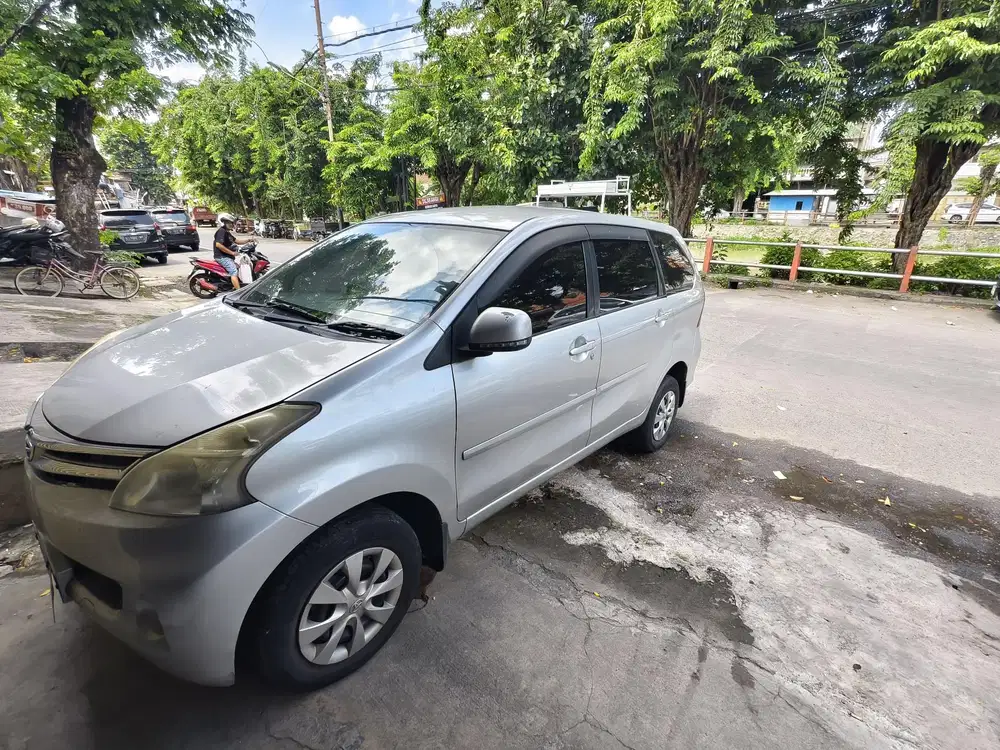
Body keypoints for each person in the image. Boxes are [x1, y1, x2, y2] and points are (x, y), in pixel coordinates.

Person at [213, 212, 252, 289]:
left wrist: (249, 240)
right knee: (234, 272)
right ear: (225, 223)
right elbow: (218, 245)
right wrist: (232, 253)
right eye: (230, 223)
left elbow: (236, 240)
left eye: (232, 223)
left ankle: (235, 285)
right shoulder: (221, 231)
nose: (232, 225)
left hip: (227, 256)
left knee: (239, 266)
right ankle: (239, 292)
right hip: (222, 257)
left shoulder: (227, 233)